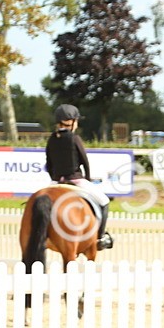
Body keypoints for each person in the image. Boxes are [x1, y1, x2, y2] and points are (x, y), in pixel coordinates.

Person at [45, 104, 112, 250]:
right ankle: (100, 238)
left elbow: (49, 164)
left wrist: (55, 179)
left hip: (56, 181)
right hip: (75, 179)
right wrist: (87, 179)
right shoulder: (75, 138)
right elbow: (84, 162)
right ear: (73, 122)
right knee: (104, 201)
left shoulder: (51, 139)